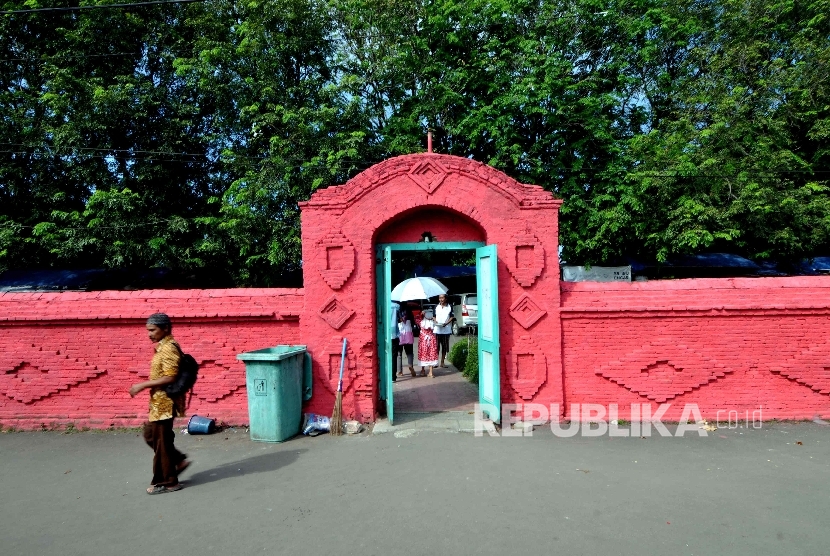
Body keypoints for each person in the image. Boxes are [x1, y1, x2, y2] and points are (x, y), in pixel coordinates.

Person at [129, 313, 189, 495]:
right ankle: (178, 460)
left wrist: (142, 385)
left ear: (165, 329)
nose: (149, 334)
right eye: (148, 330)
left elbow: (171, 376)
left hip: (165, 403)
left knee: (161, 441)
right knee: (151, 435)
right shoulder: (162, 347)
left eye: (153, 330)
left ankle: (168, 482)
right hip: (158, 402)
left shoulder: (169, 348)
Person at [434, 294, 455, 369]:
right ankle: (435, 362)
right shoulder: (436, 306)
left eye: (442, 298)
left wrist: (446, 323)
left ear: (446, 298)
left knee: (444, 347)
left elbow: (452, 317)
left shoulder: (449, 306)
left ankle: (442, 362)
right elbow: (434, 316)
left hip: (446, 330)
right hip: (437, 330)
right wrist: (436, 321)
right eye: (440, 298)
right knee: (436, 347)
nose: (441, 299)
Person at [417, 308, 439, 377]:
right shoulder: (432, 322)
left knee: (423, 354)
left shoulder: (421, 322)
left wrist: (421, 314)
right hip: (431, 339)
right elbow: (436, 323)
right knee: (431, 354)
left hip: (423, 340)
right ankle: (431, 372)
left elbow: (417, 319)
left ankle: (423, 370)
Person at [397, 308, 416, 378]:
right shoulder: (409, 310)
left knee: (399, 353)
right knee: (410, 352)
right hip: (408, 332)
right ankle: (410, 365)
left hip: (399, 333)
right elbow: (413, 322)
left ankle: (399, 371)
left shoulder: (396, 309)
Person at [390, 301, 400, 382]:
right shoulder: (396, 306)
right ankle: (393, 376)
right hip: (394, 334)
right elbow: (399, 319)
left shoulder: (383, 304)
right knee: (394, 356)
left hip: (384, 334)